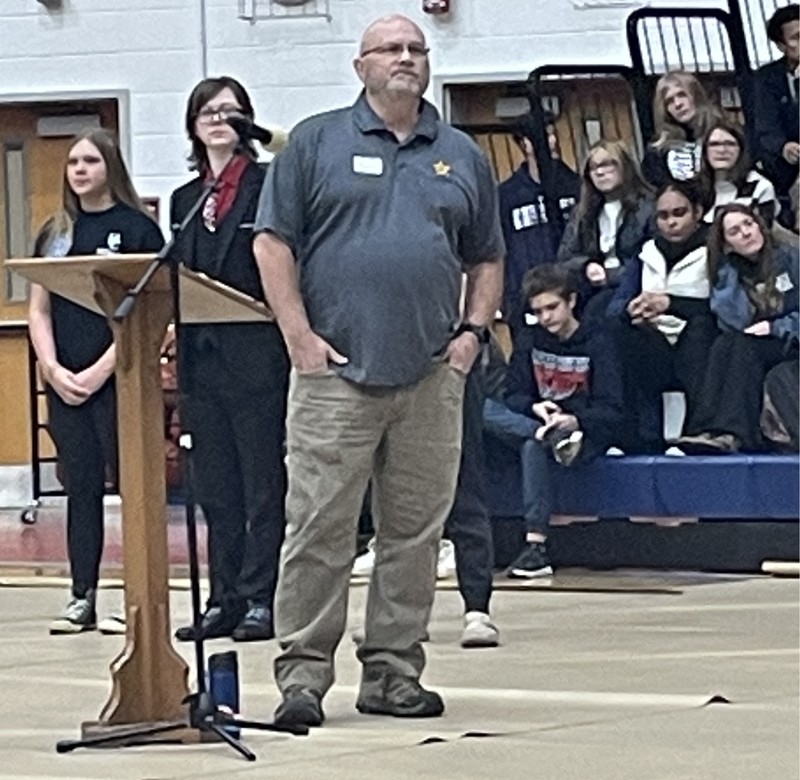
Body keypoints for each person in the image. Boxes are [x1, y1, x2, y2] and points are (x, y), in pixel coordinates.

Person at [252, 14, 504, 727]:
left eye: (416, 50)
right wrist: (297, 335)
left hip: (430, 375)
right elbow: (274, 244)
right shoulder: (315, 142)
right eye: (390, 49)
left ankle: (393, 672)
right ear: (359, 65)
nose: (405, 58)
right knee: (319, 530)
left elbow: (486, 255)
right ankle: (302, 676)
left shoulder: (460, 153)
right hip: (335, 374)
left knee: (415, 534)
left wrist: (471, 337)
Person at [28, 128, 164, 634]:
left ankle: (134, 598)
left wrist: (102, 368)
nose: (79, 170)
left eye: (89, 161)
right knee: (80, 486)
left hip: (118, 377)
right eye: (72, 163)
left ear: (110, 166)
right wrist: (53, 368)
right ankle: (81, 594)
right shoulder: (55, 231)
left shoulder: (137, 229)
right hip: (66, 381)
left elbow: (150, 313)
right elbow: (39, 307)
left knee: (132, 486)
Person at [170, 77, 290, 643]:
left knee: (262, 484)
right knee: (217, 489)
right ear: (194, 124)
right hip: (202, 360)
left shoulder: (268, 185)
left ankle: (260, 597)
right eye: (208, 111)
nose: (219, 119)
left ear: (247, 122)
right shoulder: (184, 199)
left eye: (230, 111)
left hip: (257, 354)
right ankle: (222, 597)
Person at [490, 265, 623, 578]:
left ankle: (536, 547)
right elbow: (514, 394)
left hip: (581, 432)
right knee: (496, 416)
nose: (546, 317)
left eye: (552, 307)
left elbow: (613, 409)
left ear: (571, 301)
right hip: (542, 422)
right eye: (538, 311)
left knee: (532, 444)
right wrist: (536, 409)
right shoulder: (530, 340)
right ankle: (542, 434)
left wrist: (574, 420)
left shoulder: (599, 343)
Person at [608, 181, 718, 452]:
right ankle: (629, 435)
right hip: (654, 338)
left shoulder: (717, 249)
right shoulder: (646, 252)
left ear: (698, 211)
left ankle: (698, 431)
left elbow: (724, 308)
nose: (671, 222)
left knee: (701, 328)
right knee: (616, 329)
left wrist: (671, 303)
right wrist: (633, 308)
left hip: (700, 340)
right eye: (663, 216)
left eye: (679, 213)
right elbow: (617, 303)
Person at [678, 204, 798, 453]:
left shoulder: (791, 258)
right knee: (725, 342)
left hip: (790, 338)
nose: (746, 233)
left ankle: (735, 433)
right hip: (757, 340)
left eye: (749, 224)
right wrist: (730, 273)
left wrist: (776, 326)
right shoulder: (729, 273)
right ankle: (706, 428)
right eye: (734, 231)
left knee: (743, 347)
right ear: (726, 244)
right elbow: (733, 321)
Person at [499, 113, 580, 333]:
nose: (552, 142)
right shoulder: (506, 196)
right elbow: (500, 251)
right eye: (544, 136)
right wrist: (508, 303)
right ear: (525, 143)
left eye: (553, 135)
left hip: (574, 298)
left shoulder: (576, 186)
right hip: (524, 301)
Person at [557, 139, 655, 320]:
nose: (600, 172)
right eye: (593, 168)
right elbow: (565, 258)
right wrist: (586, 266)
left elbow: (651, 257)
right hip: (592, 292)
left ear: (625, 166)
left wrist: (611, 275)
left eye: (608, 165)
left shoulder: (649, 206)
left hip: (637, 291)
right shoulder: (582, 213)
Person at [641, 71, 722, 187]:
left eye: (682, 95)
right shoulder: (658, 151)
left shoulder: (724, 133)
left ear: (696, 95)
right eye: (669, 101)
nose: (678, 104)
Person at [754, 4, 799, 198]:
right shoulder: (766, 78)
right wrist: (783, 147)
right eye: (796, 37)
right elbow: (765, 125)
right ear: (781, 46)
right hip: (789, 166)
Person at [699, 120, 779, 226]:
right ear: (705, 151)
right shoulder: (695, 188)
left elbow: (763, 232)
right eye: (714, 144)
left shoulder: (760, 186)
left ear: (741, 150)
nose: (722, 150)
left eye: (730, 144)